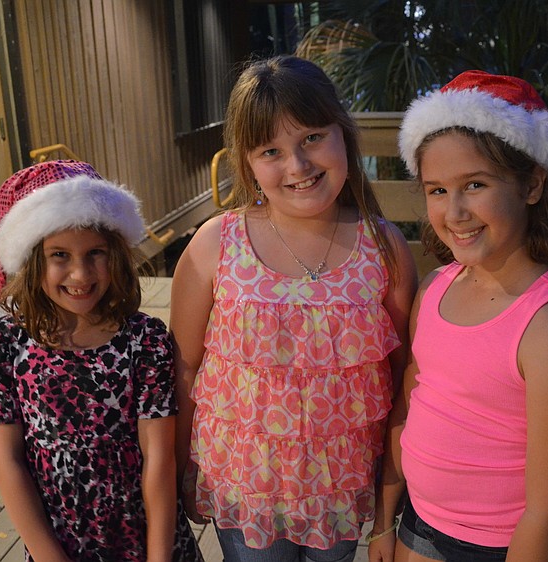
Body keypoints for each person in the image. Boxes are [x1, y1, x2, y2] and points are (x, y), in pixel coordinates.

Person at [170, 55, 418, 561]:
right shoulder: (217, 243)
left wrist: (392, 494)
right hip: (243, 485)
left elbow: (404, 375)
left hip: (344, 488)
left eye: (311, 138)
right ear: (247, 161)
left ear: (342, 134)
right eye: (271, 150)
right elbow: (185, 366)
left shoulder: (383, 246)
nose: (298, 166)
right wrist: (181, 468)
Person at [368, 71, 548, 562]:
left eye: (474, 184)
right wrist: (383, 521)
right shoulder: (435, 289)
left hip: (501, 547)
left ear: (533, 184)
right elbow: (408, 406)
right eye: (436, 190)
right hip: (418, 525)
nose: (454, 212)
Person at [0, 160, 203, 561]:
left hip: (147, 538)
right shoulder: (3, 342)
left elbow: (159, 459)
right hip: (58, 542)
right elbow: (8, 461)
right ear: (30, 262)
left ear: (114, 253)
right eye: (59, 255)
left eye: (95, 253)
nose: (80, 274)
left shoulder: (145, 339)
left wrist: (158, 558)